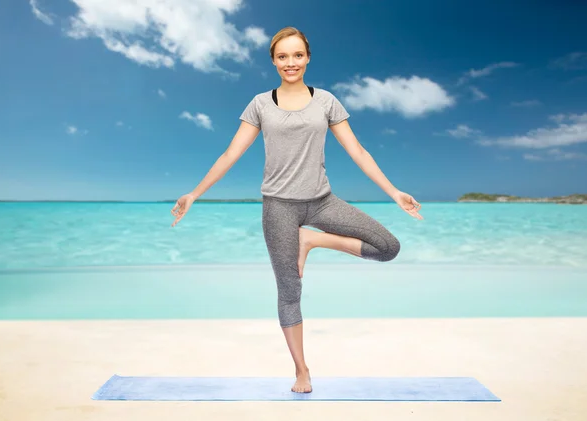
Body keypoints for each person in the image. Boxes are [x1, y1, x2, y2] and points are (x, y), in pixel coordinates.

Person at [171, 27, 423, 394]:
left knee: (388, 247)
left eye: (297, 55)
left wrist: (394, 192)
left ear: (308, 58)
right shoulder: (259, 104)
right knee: (289, 291)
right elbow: (230, 154)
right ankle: (302, 370)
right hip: (278, 207)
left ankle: (312, 241)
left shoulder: (326, 101)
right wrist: (194, 194)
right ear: (274, 61)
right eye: (283, 56)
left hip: (322, 201)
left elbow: (358, 151)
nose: (291, 63)